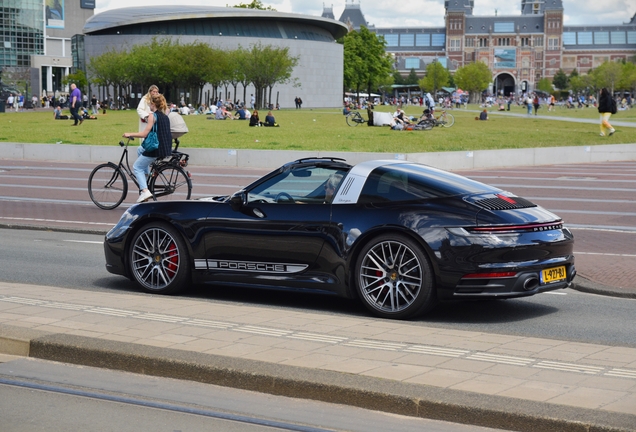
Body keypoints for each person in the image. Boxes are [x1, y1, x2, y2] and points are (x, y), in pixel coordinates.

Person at [123, 93, 172, 203]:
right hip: (165, 148)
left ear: (153, 104)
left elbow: (144, 134)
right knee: (140, 149)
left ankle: (144, 191)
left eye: (150, 103)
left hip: (156, 149)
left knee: (137, 167)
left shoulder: (152, 116)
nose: (149, 105)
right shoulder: (165, 116)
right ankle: (146, 176)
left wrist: (130, 134)